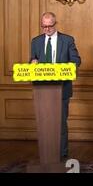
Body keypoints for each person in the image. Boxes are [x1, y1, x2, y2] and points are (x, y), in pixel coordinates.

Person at [30, 12, 81, 160]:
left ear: (55, 24)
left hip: (62, 88)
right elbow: (32, 60)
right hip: (41, 89)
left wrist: (66, 68)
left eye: (49, 26)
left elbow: (76, 60)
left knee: (60, 124)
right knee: (44, 124)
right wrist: (33, 62)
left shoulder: (67, 40)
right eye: (43, 26)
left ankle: (61, 154)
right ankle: (46, 154)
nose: (46, 29)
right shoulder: (36, 41)